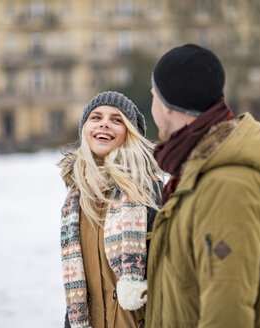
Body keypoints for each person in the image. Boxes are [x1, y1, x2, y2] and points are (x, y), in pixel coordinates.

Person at [145, 44, 260, 327]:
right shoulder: (196, 169)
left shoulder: (227, 183)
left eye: (153, 96)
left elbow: (228, 310)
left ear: (167, 105)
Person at [59, 91, 163, 328]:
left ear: (130, 133)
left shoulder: (150, 192)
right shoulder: (75, 201)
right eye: (96, 117)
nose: (104, 123)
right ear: (85, 130)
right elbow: (78, 288)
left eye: (117, 120)